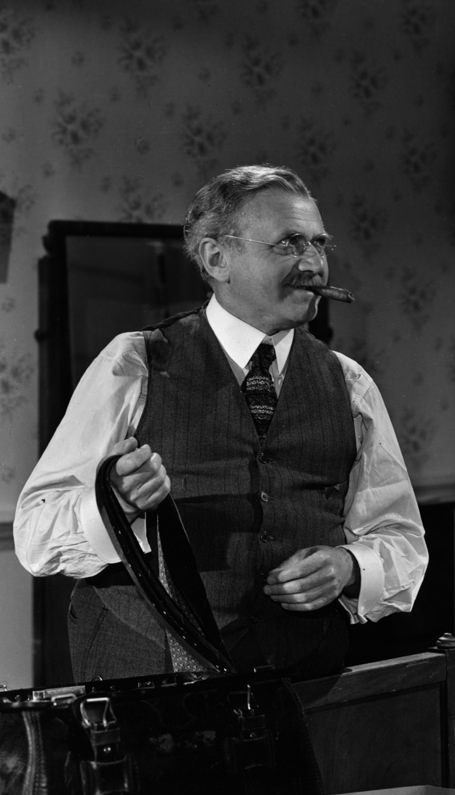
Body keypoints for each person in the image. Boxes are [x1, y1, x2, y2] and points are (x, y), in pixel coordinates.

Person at [15, 164, 427, 681]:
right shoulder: (135, 362)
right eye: (289, 244)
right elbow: (34, 536)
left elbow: (401, 539)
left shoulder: (349, 384)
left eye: (319, 245)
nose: (314, 265)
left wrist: (349, 566)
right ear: (217, 257)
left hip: (299, 681)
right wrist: (112, 504)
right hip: (149, 676)